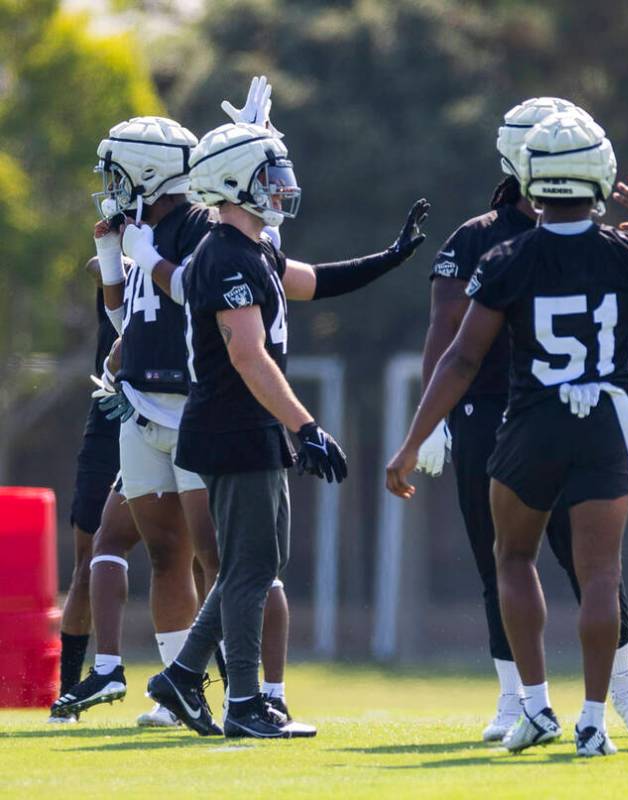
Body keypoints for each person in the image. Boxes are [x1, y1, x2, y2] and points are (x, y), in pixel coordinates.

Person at [387, 110, 628, 757]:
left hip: (531, 423)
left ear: (531, 181)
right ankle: (595, 720)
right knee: (600, 573)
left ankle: (536, 706)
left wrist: (412, 441)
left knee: (512, 559)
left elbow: (461, 357)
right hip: (605, 423)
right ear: (599, 175)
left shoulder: (507, 256)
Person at [148, 121, 429, 738]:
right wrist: (305, 426)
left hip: (249, 425)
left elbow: (313, 281)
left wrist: (391, 257)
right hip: (232, 426)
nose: (280, 187)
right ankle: (244, 702)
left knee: (253, 562)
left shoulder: (255, 249)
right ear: (230, 181)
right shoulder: (223, 254)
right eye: (267, 175)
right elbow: (248, 355)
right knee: (251, 569)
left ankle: (183, 674)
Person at [417, 96, 628, 742]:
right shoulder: (478, 237)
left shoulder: (569, 241)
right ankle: (517, 697)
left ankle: (622, 681)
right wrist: (433, 420)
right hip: (492, 410)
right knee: (500, 557)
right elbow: (445, 337)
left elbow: (458, 348)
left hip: (537, 412)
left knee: (580, 560)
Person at [52, 95, 291, 726]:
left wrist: (254, 141)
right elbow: (124, 318)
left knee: (226, 561)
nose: (110, 188)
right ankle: (180, 691)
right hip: (142, 409)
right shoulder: (142, 230)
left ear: (149, 173)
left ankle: (264, 690)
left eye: (119, 172)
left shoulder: (198, 227)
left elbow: (241, 259)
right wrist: (113, 260)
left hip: (195, 413)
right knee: (164, 554)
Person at [47, 260, 138, 724]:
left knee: (184, 559)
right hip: (108, 421)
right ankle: (68, 696)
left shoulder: (193, 259)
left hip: (165, 416)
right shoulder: (138, 249)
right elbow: (97, 265)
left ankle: (196, 691)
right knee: (87, 561)